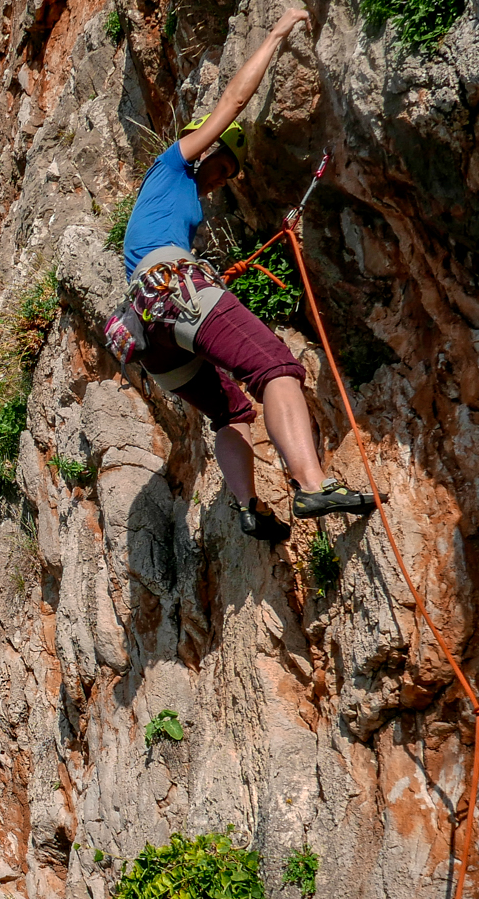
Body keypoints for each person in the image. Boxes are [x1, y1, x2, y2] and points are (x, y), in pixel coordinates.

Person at [118, 5, 372, 543]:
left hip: (144, 327)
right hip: (172, 289)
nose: (219, 178)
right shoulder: (172, 165)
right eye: (218, 164)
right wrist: (276, 33)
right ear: (201, 149)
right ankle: (313, 485)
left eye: (228, 174)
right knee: (275, 367)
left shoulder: (171, 206)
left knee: (231, 413)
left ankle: (249, 508)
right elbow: (232, 102)